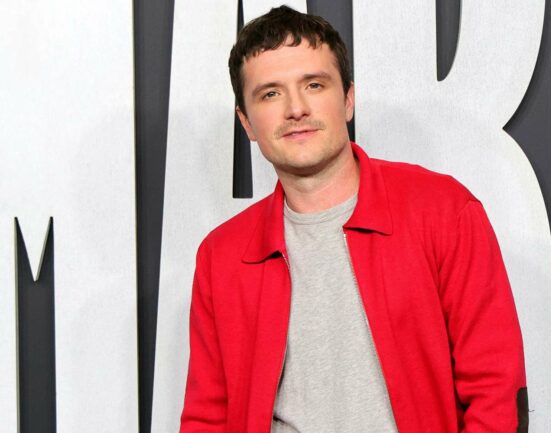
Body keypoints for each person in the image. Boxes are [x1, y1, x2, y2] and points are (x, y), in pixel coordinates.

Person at [180, 5, 528, 433]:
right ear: (246, 122)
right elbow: (207, 416)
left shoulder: (443, 211)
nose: (295, 108)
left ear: (347, 99)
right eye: (270, 94)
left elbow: (496, 391)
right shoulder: (221, 256)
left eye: (314, 84)